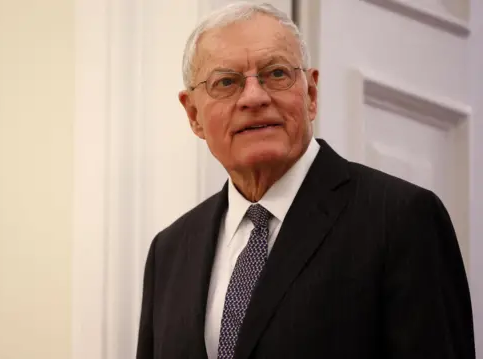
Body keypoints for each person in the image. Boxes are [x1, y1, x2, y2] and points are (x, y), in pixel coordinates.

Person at [135, 1, 474, 359]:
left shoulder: (401, 219)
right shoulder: (169, 251)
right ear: (193, 115)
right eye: (226, 82)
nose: (254, 97)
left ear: (310, 95)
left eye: (276, 74)